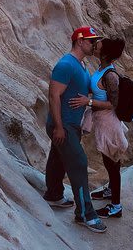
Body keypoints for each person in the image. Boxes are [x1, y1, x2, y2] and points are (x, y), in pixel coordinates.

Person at [43, 26, 107, 233]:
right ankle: (85, 214)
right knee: (79, 163)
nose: (94, 44)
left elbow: (83, 89)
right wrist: (59, 127)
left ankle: (53, 195)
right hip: (64, 125)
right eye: (91, 41)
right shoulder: (65, 65)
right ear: (80, 41)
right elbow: (54, 96)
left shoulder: (80, 65)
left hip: (71, 124)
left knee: (58, 158)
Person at [69, 37, 128, 219]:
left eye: (98, 47)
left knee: (112, 164)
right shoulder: (102, 69)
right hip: (101, 122)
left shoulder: (110, 75)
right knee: (107, 160)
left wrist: (89, 101)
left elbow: (113, 104)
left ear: (105, 53)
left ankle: (116, 207)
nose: (94, 47)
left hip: (109, 123)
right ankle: (110, 190)